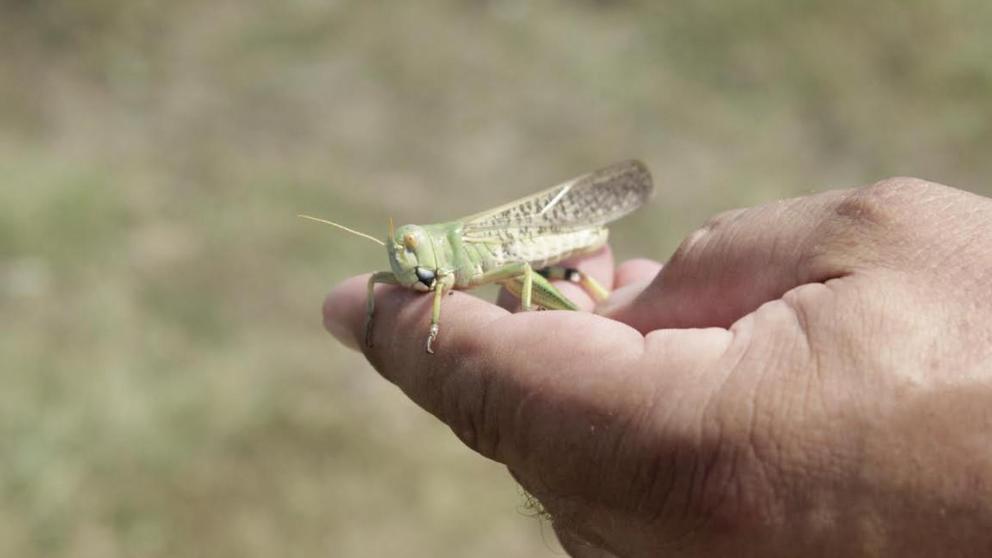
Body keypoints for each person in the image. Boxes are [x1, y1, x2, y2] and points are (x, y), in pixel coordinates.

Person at [323, 176, 992, 557]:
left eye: (410, 251)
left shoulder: (454, 252)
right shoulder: (406, 269)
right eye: (400, 256)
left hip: (532, 246)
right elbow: (399, 281)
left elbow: (489, 275)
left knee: (530, 289)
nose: (406, 264)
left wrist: (436, 314)